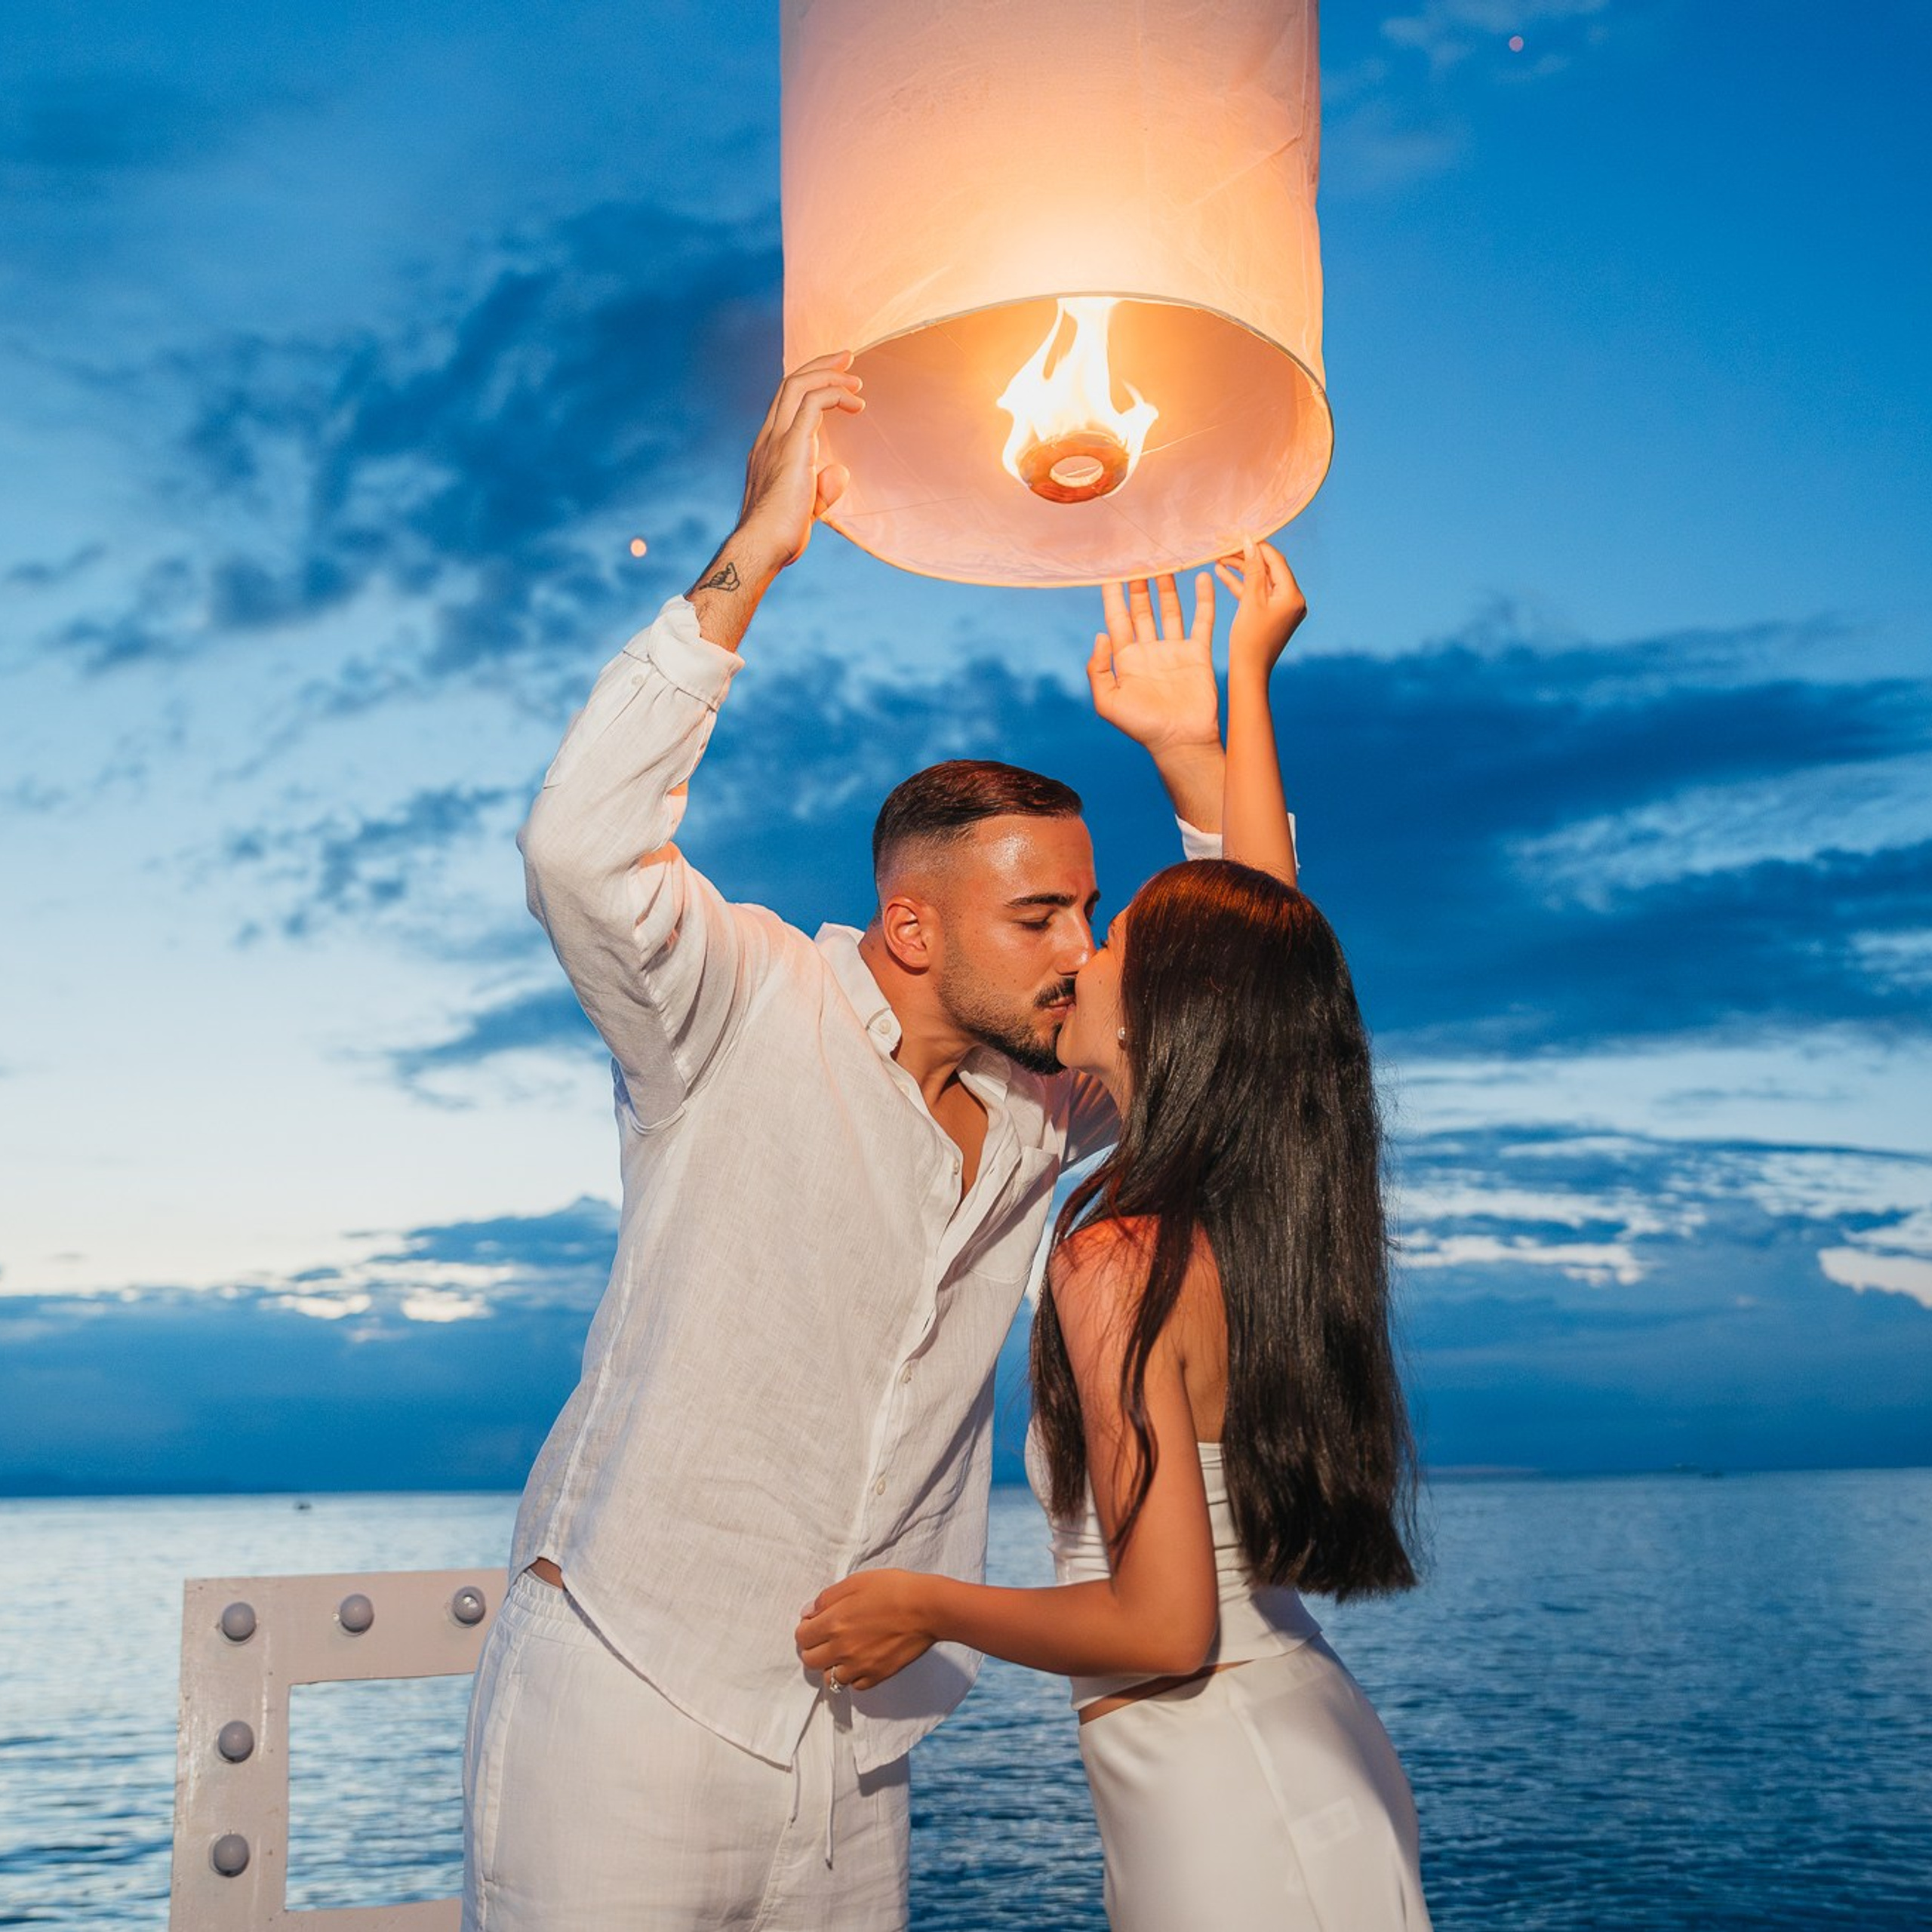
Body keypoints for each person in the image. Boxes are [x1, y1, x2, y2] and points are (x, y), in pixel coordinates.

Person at [461, 352, 1257, 1930]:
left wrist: (1198, 760)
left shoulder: (1048, 1103)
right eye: (1040, 915)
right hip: (627, 1696)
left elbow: (1250, 1007)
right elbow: (576, 849)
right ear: (910, 926)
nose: (1082, 949)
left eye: (1089, 909)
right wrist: (754, 552)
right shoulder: (741, 1001)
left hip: (856, 1745)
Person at [796, 543, 1433, 1930]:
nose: (1082, 951)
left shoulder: (1121, 1256)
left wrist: (927, 1603)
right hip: (1292, 1743)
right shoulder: (1246, 1215)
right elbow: (1272, 962)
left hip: (1228, 1783)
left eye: (1115, 935)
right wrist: (1219, 716)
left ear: (1162, 1021)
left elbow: (1161, 1626)